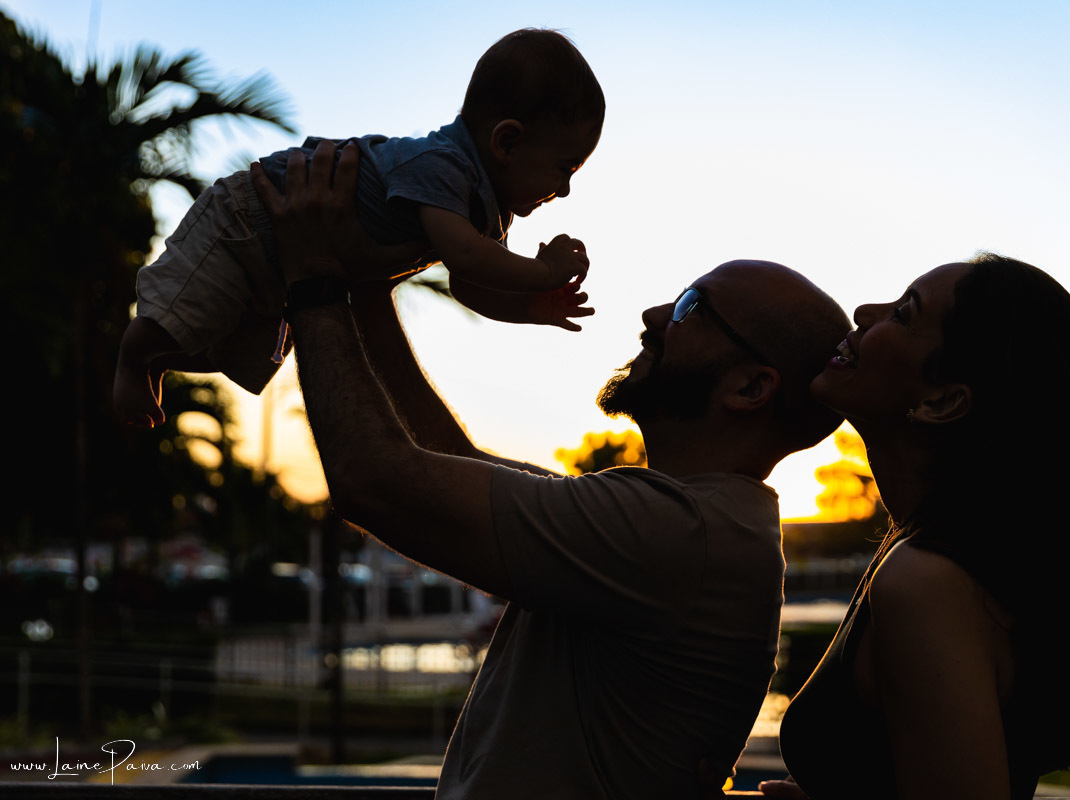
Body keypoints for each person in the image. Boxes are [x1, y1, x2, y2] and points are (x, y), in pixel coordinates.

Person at [248, 140, 852, 799]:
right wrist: (366, 289)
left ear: (749, 387)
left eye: (688, 309)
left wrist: (313, 279)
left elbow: (378, 481)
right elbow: (454, 464)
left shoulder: (678, 532)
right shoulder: (683, 520)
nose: (653, 318)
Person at [744, 256, 1070, 799]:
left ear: (942, 401)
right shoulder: (924, 554)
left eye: (902, 314)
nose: (863, 312)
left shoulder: (926, 581)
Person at [114, 28, 602, 427]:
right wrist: (542, 269)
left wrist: (529, 306)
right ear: (507, 142)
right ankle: (134, 355)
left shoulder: (487, 209)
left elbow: (470, 286)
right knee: (187, 315)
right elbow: (467, 259)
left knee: (230, 350)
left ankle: (153, 359)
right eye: (565, 168)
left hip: (284, 261)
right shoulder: (444, 166)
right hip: (250, 217)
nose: (564, 190)